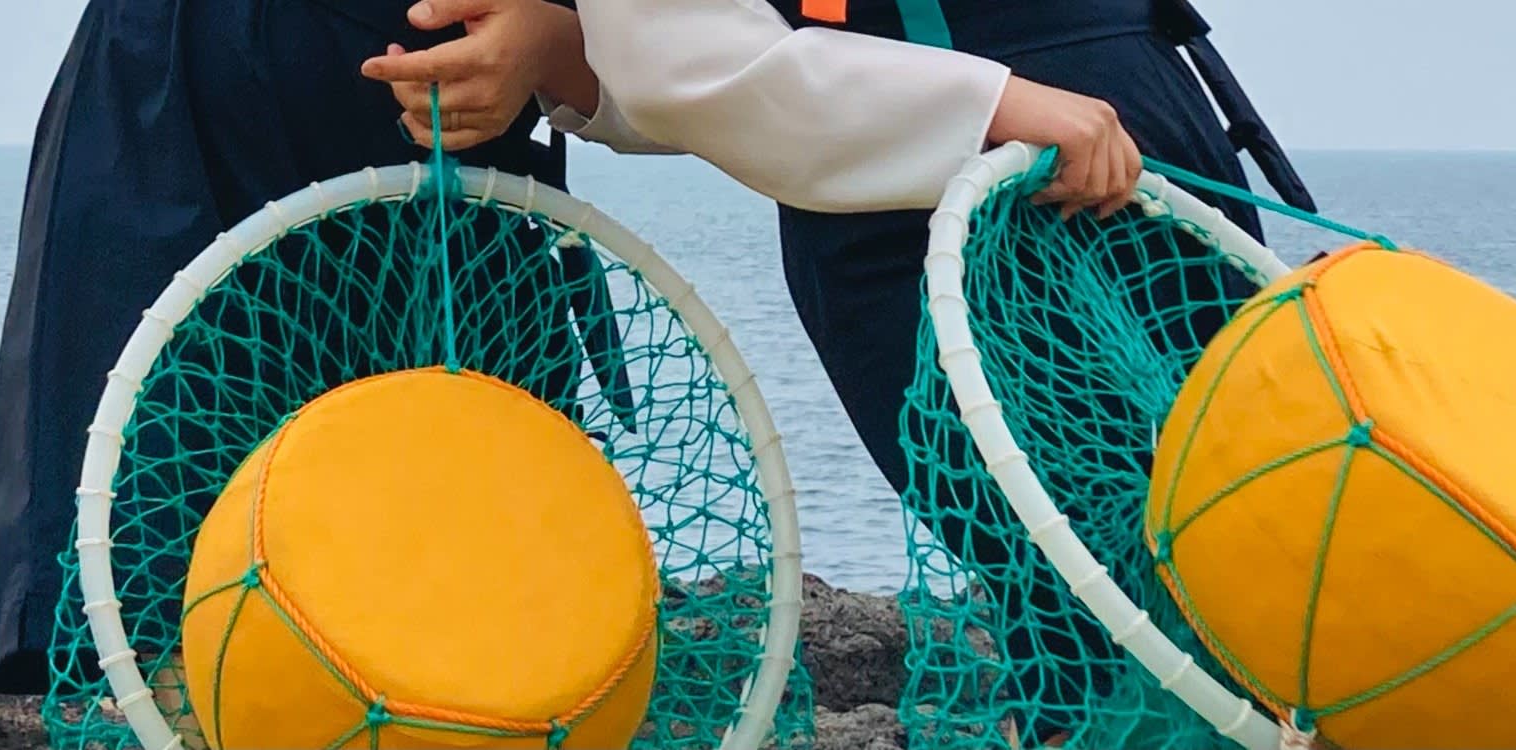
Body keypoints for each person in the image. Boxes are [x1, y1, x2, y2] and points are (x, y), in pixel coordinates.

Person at [359, 0, 1310, 744]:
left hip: (1125, 114)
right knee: (1106, 627)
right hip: (939, 164)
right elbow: (672, 55)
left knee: (1273, 573)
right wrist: (987, 103)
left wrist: (564, 47)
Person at [0, 0, 597, 697]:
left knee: (475, 610)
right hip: (179, 96)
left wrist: (561, 43)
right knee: (163, 595)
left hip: (438, 134)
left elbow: (634, 52)